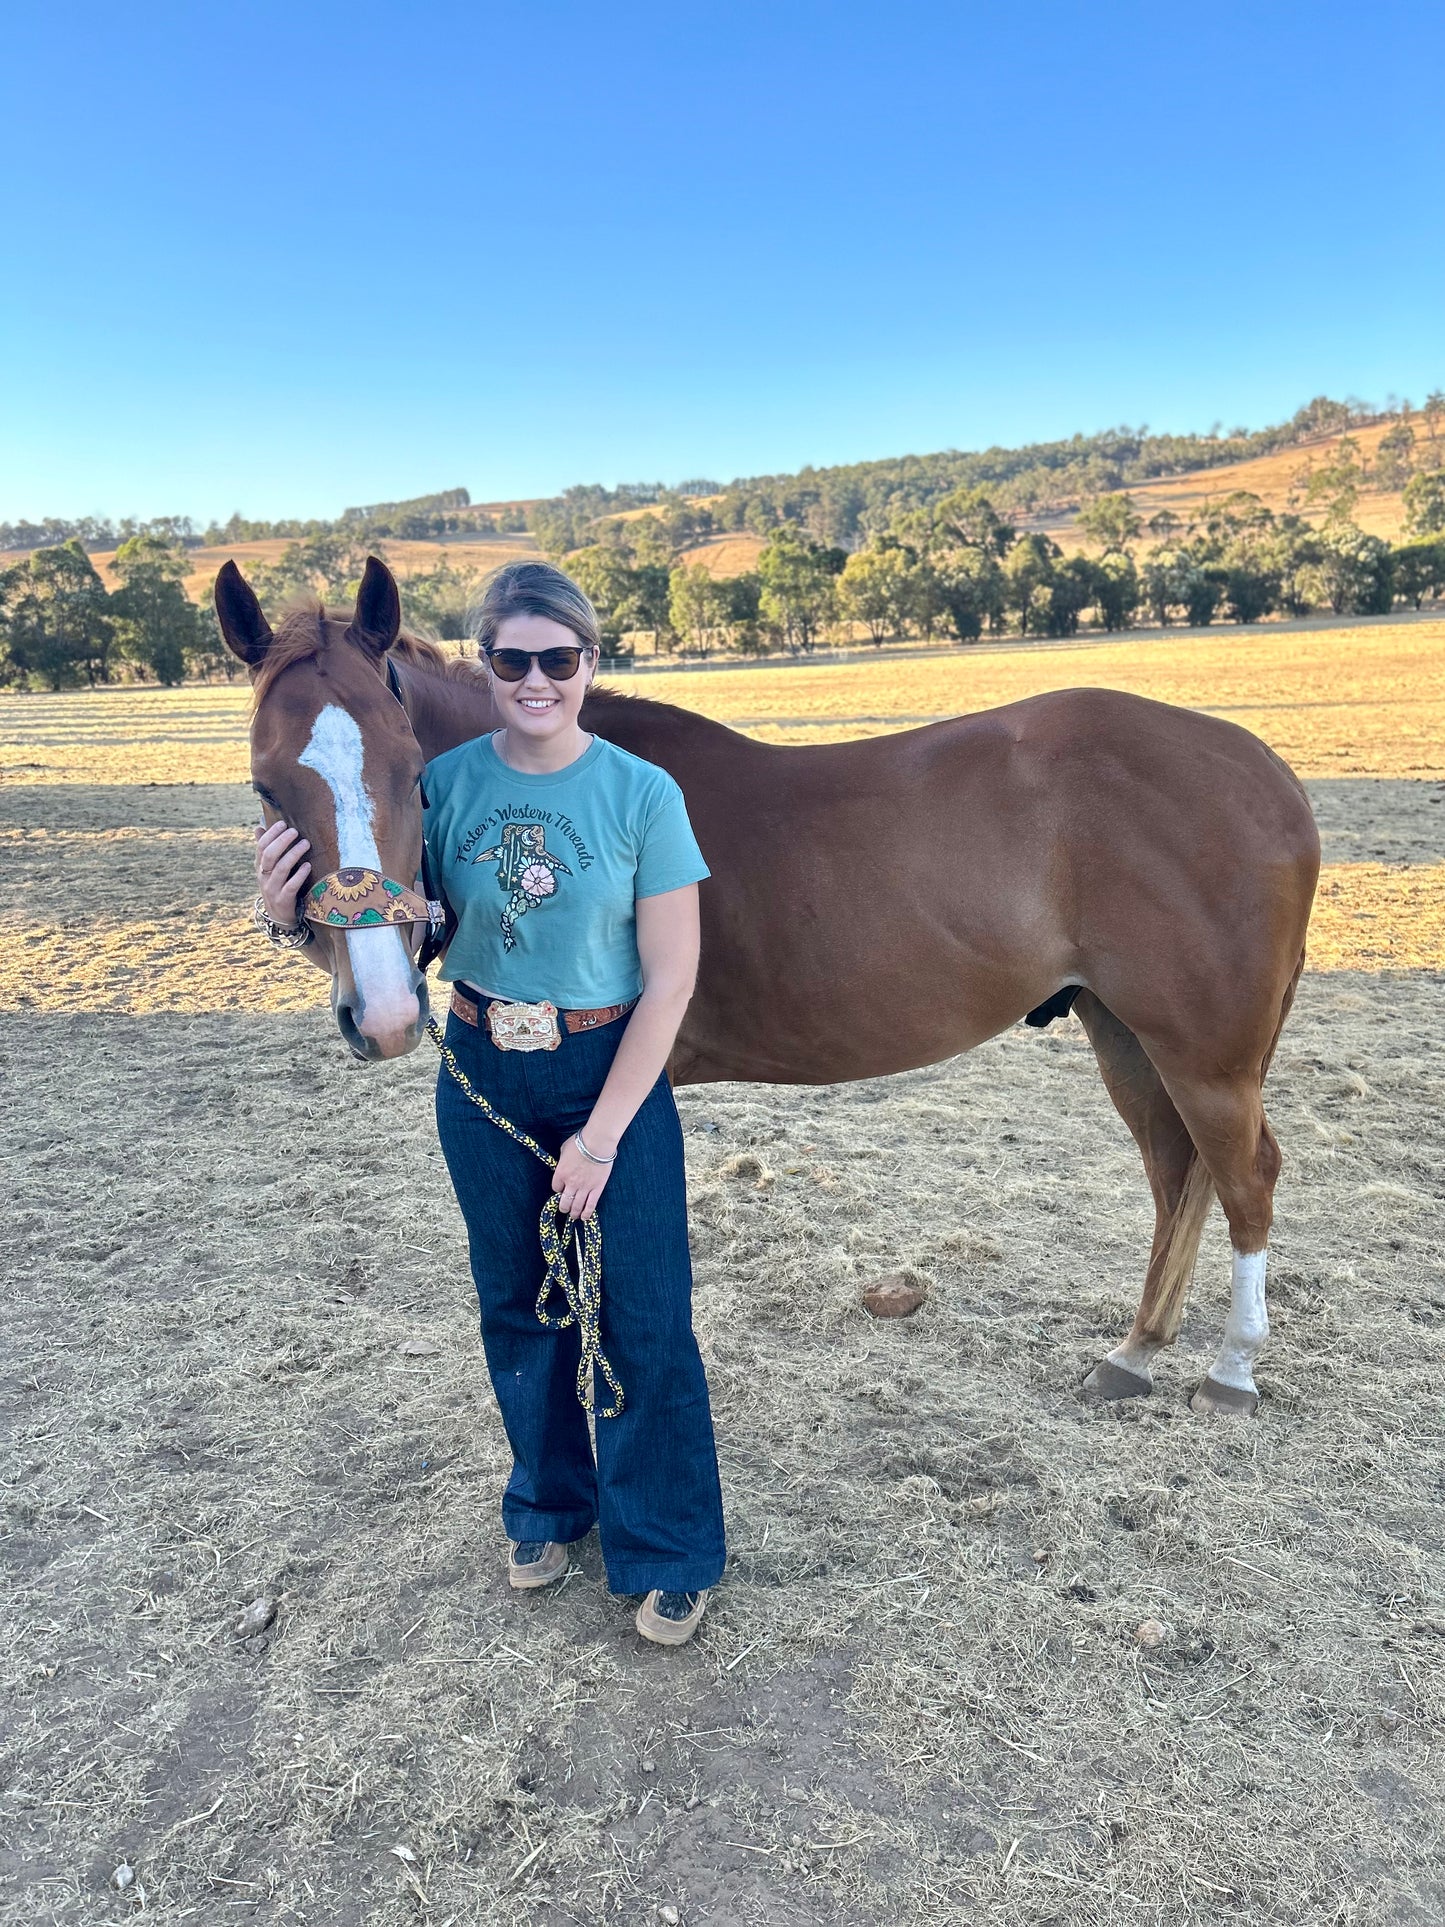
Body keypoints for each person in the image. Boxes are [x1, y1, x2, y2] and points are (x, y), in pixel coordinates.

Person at [253, 561, 726, 1647]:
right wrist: (292, 920)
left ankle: (666, 1547)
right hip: (481, 1067)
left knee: (645, 1316)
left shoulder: (641, 793)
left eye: (557, 660)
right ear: (485, 662)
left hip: (611, 1071)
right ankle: (547, 1505)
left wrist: (602, 1136)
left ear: (588, 664)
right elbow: (402, 926)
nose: (533, 680)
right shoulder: (447, 782)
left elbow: (671, 981)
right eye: (510, 659)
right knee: (518, 1306)